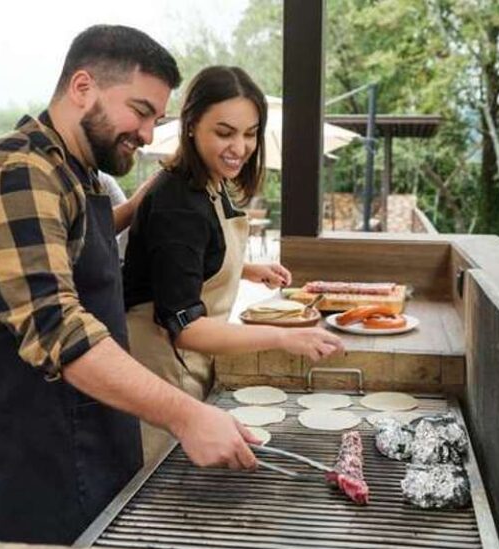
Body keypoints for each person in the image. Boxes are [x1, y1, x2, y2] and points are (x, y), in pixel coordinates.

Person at [0, 26, 260, 549]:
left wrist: (139, 200)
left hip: (76, 445)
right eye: (141, 111)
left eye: (157, 118)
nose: (150, 135)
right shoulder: (14, 172)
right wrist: (186, 416)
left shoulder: (74, 173)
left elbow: (84, 238)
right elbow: (57, 328)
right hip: (11, 464)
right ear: (83, 86)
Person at [121, 66, 344, 459]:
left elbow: (188, 259)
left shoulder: (212, 181)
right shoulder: (178, 203)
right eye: (225, 133)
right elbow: (186, 329)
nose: (240, 147)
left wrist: (244, 268)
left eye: (250, 133)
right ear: (190, 125)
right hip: (160, 368)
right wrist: (283, 337)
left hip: (185, 364)